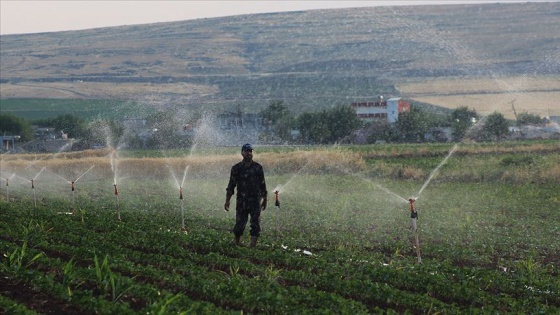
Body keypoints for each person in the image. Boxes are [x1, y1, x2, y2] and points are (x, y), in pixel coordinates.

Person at [224, 143, 268, 247]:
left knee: (255, 224)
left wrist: (265, 199)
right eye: (247, 151)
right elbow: (231, 186)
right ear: (242, 153)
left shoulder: (258, 167)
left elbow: (263, 184)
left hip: (255, 201)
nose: (249, 153)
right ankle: (237, 243)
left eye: (250, 151)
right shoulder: (236, 168)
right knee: (239, 224)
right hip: (242, 201)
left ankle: (252, 245)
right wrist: (227, 200)